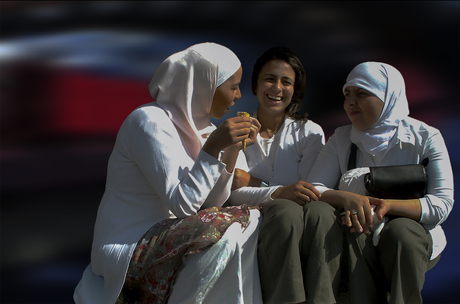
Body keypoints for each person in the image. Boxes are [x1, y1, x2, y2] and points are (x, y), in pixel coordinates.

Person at [73, 42, 264, 304]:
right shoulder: (148, 122)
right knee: (230, 226)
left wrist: (229, 150)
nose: (239, 95)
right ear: (205, 85)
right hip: (129, 247)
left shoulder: (204, 131)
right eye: (233, 86)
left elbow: (211, 204)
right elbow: (185, 206)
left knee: (246, 224)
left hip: (172, 238)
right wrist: (213, 148)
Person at [304, 61, 454, 303]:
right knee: (352, 228)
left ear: (388, 96)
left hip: (409, 237)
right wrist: (348, 198)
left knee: (402, 232)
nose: (350, 102)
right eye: (347, 94)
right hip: (358, 229)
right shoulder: (341, 139)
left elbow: (441, 204)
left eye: (362, 93)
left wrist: (387, 206)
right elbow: (315, 188)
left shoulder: (426, 137)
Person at [226, 46, 325, 304]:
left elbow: (307, 192)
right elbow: (233, 191)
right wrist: (280, 190)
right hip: (248, 228)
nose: (277, 88)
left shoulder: (310, 133)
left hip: (294, 230)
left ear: (295, 90)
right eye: (270, 79)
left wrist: (258, 184)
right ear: (255, 85)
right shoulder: (236, 129)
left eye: (286, 82)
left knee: (289, 212)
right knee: (285, 209)